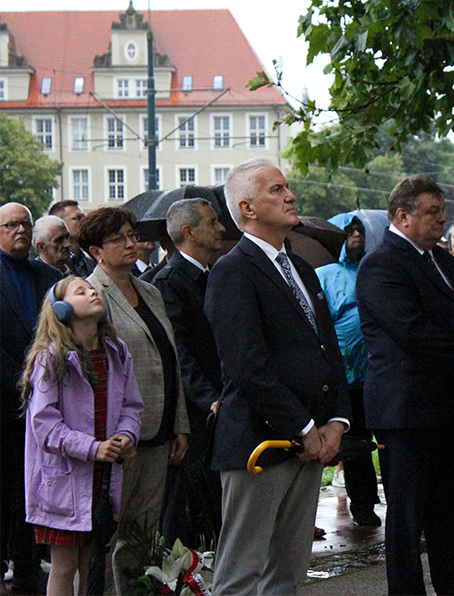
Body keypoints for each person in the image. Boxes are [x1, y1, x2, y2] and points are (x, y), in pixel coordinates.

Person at [205, 159, 350, 596]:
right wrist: (302, 426)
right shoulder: (233, 270)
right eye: (276, 190)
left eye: (287, 186)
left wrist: (336, 420)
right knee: (242, 574)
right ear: (247, 208)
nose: (290, 196)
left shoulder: (302, 270)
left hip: (309, 443)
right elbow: (246, 365)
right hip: (259, 444)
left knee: (288, 573)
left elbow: (329, 350)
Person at [357, 176, 454, 596]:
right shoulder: (381, 264)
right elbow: (413, 332)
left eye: (443, 213)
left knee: (453, 511)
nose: (441, 220)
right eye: (431, 212)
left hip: (450, 409)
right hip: (407, 412)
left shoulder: (445, 263)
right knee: (407, 519)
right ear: (402, 215)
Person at [81, 207, 190, 595]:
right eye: (118, 239)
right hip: (118, 437)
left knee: (144, 532)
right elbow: (91, 373)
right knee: (111, 533)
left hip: (158, 429)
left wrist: (179, 424)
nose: (130, 243)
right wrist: (110, 436)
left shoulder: (150, 290)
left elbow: (170, 358)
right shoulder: (90, 296)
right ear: (96, 251)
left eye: (131, 234)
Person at [21, 276, 143, 596]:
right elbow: (44, 425)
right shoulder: (51, 358)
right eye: (81, 290)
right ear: (61, 309)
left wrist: (127, 437)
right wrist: (92, 448)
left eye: (93, 289)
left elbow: (132, 405)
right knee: (64, 566)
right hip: (63, 481)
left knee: (93, 562)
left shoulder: (116, 352)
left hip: (102, 475)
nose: (92, 292)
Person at [152, 199, 226, 546]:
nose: (222, 228)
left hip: (221, 404)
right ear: (188, 232)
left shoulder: (215, 274)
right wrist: (209, 399)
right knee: (193, 505)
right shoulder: (171, 282)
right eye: (212, 223)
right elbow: (179, 353)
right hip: (197, 414)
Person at [0, 202, 61, 592]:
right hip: (5, 401)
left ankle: (26, 562)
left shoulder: (50, 276)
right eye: (10, 225)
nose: (19, 231)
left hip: (46, 404)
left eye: (24, 224)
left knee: (34, 486)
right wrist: (23, 382)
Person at [315, 213, 381, 527]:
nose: (356, 234)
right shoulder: (325, 275)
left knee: (389, 443)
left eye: (360, 229)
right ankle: (363, 505)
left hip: (379, 374)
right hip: (345, 376)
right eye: (349, 230)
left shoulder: (376, 269)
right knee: (354, 445)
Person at [49, 201, 95, 278]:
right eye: (77, 218)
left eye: (84, 217)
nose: (84, 221)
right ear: (59, 223)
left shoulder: (91, 263)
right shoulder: (52, 264)